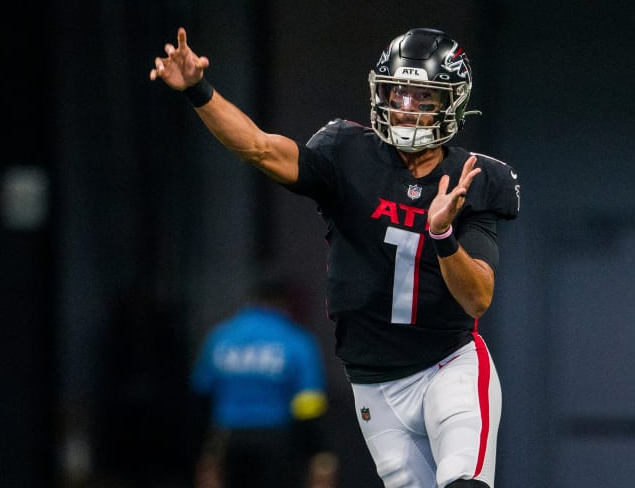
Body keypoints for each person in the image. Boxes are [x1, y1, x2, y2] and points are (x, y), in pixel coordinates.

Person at [151, 27, 520, 488]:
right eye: (396, 93)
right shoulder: (347, 153)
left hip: (448, 366)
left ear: (451, 104)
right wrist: (197, 90)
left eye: (421, 97)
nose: (404, 107)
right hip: (372, 383)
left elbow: (478, 299)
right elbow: (260, 147)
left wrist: (442, 231)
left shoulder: (473, 178)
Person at [189, 280, 338, 488]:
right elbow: (309, 403)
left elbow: (201, 391)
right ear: (284, 304)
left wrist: (203, 450)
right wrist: (317, 451)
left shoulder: (221, 337)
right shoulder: (296, 340)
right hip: (277, 440)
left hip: (228, 438)